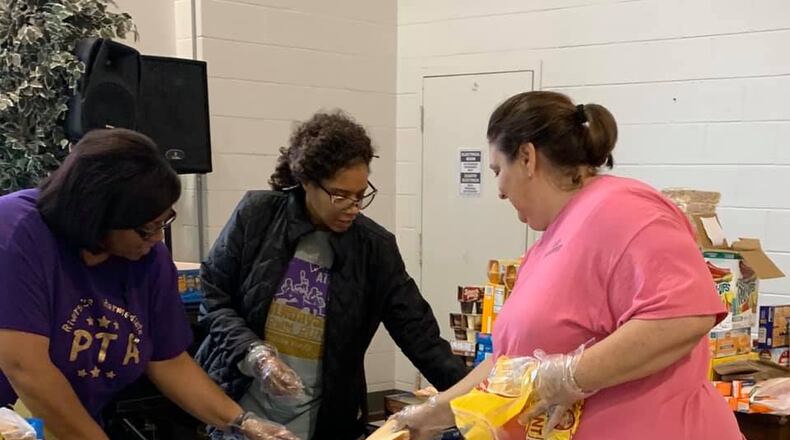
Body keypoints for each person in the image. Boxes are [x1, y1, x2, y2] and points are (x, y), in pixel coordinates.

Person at [391, 91, 744, 439]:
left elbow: (682, 318)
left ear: (527, 158)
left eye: (498, 169)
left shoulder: (626, 210)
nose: (498, 190)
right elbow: (509, 365)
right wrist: (439, 410)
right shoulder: (551, 240)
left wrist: (568, 376)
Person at [0, 128, 297, 440]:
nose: (157, 239)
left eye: (163, 223)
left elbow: (167, 361)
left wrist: (242, 422)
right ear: (97, 215)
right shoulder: (16, 234)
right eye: (146, 229)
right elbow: (26, 369)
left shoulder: (148, 259)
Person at [195, 110, 467, 440]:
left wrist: (473, 400)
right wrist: (255, 354)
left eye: (361, 194)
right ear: (308, 180)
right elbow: (214, 299)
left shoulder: (373, 248)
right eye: (340, 195)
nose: (353, 207)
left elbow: (418, 332)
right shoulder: (257, 217)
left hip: (323, 420)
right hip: (241, 412)